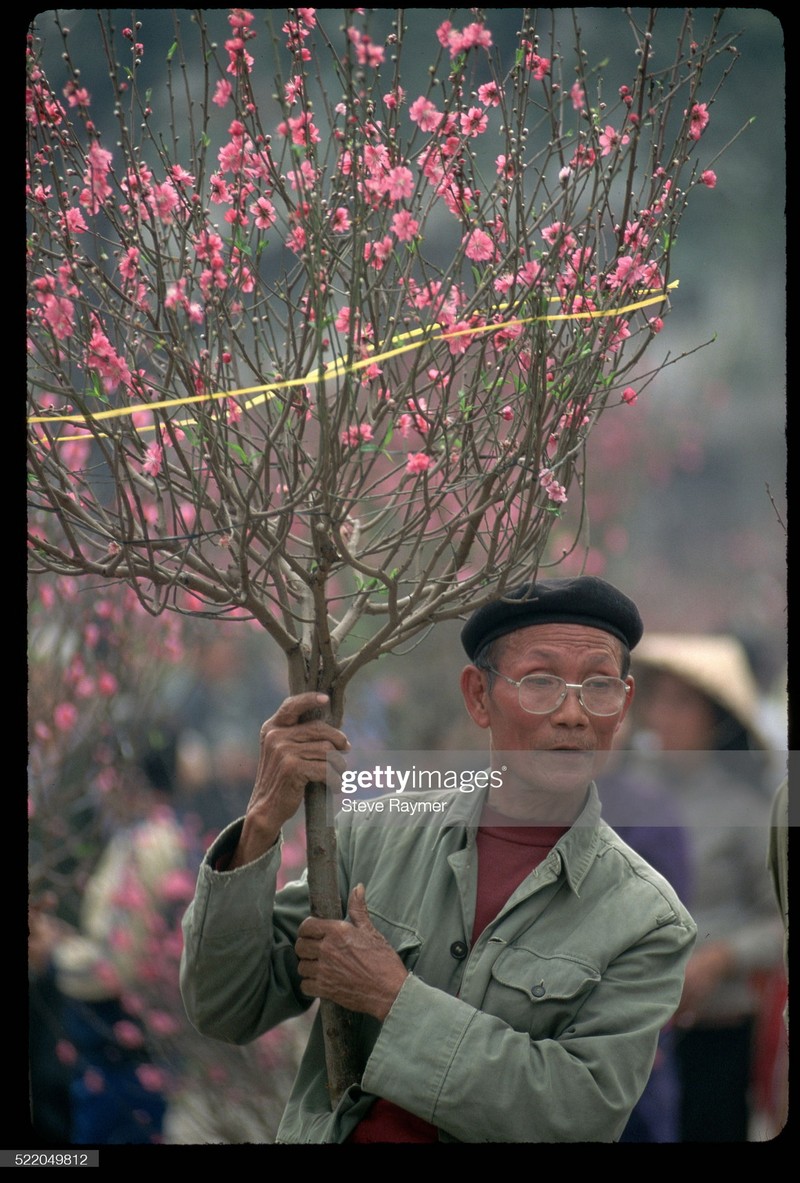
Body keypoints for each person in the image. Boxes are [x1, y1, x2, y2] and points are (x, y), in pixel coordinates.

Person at [180, 575, 697, 1143]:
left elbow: (577, 1114)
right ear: (478, 696)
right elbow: (228, 1007)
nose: (573, 714)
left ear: (622, 706)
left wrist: (392, 998)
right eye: (541, 681)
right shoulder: (374, 837)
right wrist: (259, 825)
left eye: (598, 686)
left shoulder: (647, 920)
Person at [630, 634, 786, 1142]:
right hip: (630, 1033)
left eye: (681, 703)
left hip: (716, 1033)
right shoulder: (627, 790)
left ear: (716, 717)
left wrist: (721, 958)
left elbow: (780, 919)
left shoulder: (748, 811)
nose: (662, 716)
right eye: (657, 699)